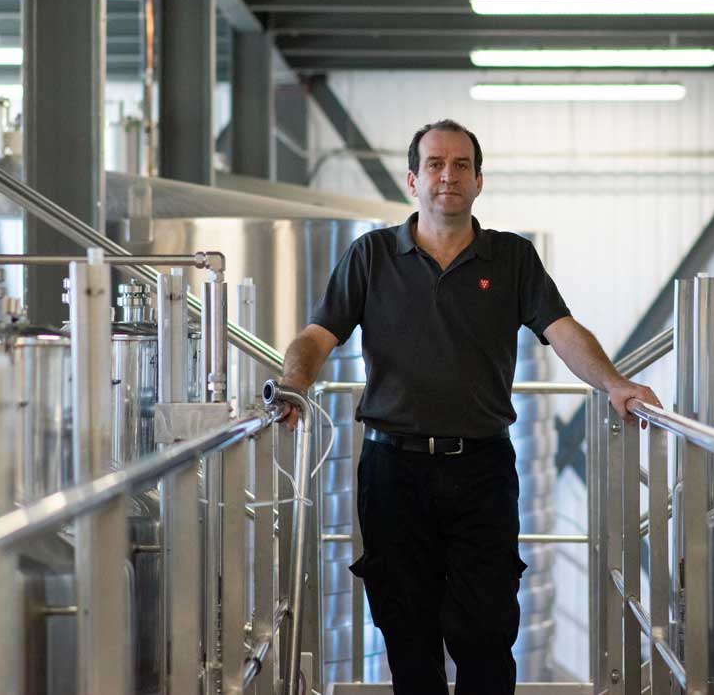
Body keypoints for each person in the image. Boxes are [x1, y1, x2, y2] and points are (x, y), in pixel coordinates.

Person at [272, 119, 660, 694]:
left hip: (481, 471)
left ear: (479, 181)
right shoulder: (371, 256)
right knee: (408, 640)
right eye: (434, 164)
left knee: (486, 636)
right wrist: (294, 382)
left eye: (460, 166)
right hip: (392, 472)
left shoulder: (511, 259)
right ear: (412, 179)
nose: (447, 176)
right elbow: (316, 336)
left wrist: (614, 384)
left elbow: (562, 331)